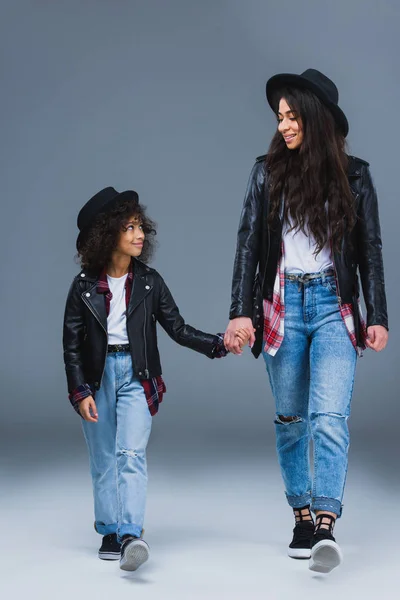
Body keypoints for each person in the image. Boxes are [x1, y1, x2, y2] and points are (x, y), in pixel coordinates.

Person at [224, 69, 388, 573]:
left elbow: (369, 250)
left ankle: (325, 520)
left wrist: (377, 315)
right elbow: (249, 243)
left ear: (315, 120)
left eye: (292, 116)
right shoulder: (265, 172)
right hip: (282, 306)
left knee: (330, 417)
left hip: (334, 306)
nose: (284, 126)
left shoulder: (355, 175)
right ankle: (300, 512)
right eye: (280, 117)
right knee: (292, 419)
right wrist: (240, 312)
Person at [63, 187, 247, 571]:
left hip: (137, 376)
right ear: (106, 234)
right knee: (103, 461)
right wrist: (80, 392)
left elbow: (177, 329)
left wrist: (219, 344)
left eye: (140, 226)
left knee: (130, 454)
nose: (139, 234)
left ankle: (131, 534)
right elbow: (72, 347)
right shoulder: (82, 287)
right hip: (97, 381)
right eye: (129, 227)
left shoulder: (150, 282)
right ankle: (109, 530)